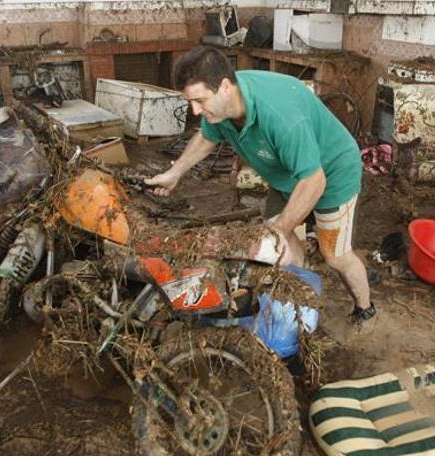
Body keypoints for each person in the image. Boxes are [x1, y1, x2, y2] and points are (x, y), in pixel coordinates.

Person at [145, 46, 376, 325]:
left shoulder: (279, 116)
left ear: (225, 87)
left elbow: (315, 180)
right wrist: (175, 172)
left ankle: (365, 310)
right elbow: (207, 137)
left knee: (335, 256)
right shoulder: (221, 107)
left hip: (332, 172)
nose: (195, 111)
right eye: (191, 102)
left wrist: (280, 228)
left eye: (200, 100)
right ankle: (298, 302)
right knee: (279, 247)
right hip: (286, 175)